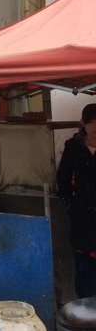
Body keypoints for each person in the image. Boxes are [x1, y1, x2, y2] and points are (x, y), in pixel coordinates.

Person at [57, 103, 96, 298]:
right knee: (84, 273)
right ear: (83, 122)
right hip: (82, 219)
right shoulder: (73, 147)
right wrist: (71, 206)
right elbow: (62, 180)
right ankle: (86, 309)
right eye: (92, 122)